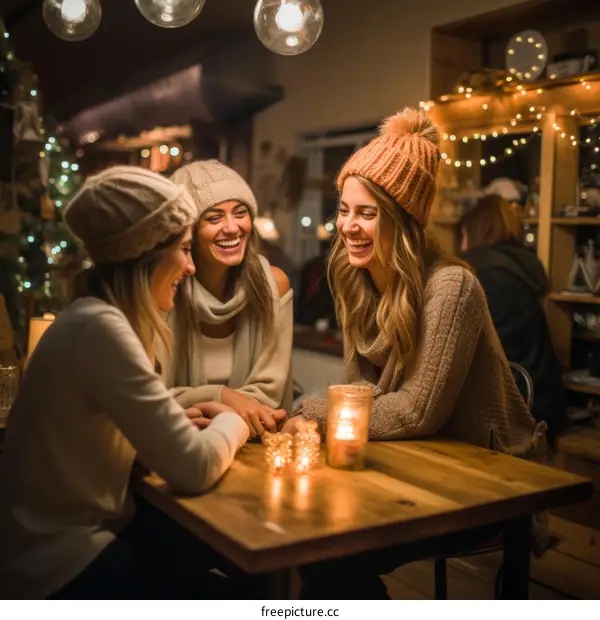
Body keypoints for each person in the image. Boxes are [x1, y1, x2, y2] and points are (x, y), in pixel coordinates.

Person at [283, 108, 548, 598]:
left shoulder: (452, 287)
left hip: (482, 477)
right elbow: (363, 389)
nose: (348, 227)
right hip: (409, 460)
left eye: (367, 213)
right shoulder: (357, 281)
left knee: (327, 554)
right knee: (301, 533)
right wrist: (323, 415)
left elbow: (418, 409)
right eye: (343, 210)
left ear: (404, 221)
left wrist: (307, 411)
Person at [0, 167, 249, 599]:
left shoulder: (88, 318)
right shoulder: (104, 330)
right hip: (58, 571)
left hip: (57, 552)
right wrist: (235, 421)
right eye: (185, 249)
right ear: (148, 255)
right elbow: (193, 469)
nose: (190, 267)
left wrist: (167, 424)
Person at [162, 160, 293, 438]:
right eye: (214, 217)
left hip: (254, 444)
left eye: (240, 213)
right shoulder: (162, 291)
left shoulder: (275, 285)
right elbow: (148, 398)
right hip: (176, 444)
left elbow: (272, 394)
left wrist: (207, 409)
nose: (232, 227)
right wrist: (222, 396)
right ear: (187, 230)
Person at [460, 194, 567, 444]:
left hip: (511, 408)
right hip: (545, 399)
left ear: (476, 231)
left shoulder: (483, 271)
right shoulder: (524, 264)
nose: (462, 245)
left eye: (464, 235)